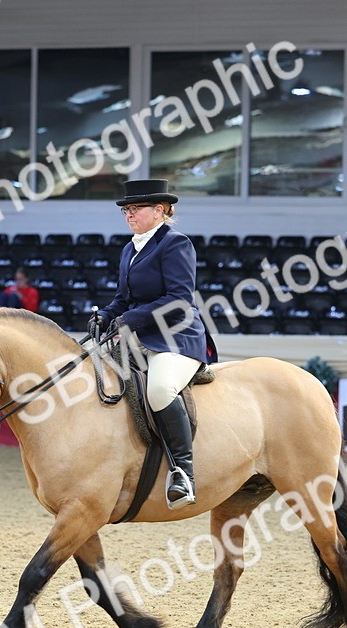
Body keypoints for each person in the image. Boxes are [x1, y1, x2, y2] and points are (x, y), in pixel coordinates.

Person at [94, 179, 215, 509]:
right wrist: (105, 315)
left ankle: (183, 474)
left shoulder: (176, 244)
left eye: (135, 209)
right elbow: (123, 299)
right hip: (140, 337)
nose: (128, 215)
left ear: (159, 210)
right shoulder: (129, 249)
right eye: (126, 210)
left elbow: (179, 298)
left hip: (176, 336)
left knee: (160, 390)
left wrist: (131, 320)